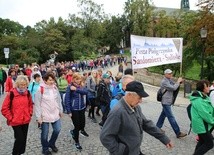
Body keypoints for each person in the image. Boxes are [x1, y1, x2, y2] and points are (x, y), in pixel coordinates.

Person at [100, 81, 173, 155]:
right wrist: (120, 151)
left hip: (135, 151)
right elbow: (105, 136)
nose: (141, 101)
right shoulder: (117, 112)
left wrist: (164, 138)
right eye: (139, 97)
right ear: (129, 95)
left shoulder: (135, 107)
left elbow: (146, 124)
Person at [1, 75, 33, 155]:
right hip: (15, 121)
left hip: (25, 120)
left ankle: (20, 152)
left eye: (25, 84)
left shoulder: (27, 93)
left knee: (23, 139)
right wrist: (11, 118)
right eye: (21, 84)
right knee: (20, 138)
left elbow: (30, 104)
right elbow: (4, 109)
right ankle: (15, 153)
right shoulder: (12, 93)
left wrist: (30, 113)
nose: (23, 86)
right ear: (17, 84)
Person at [34, 73, 63, 155]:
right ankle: (45, 148)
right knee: (44, 134)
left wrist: (60, 110)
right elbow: (37, 104)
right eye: (50, 80)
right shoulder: (40, 89)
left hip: (55, 113)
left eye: (53, 80)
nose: (52, 81)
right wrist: (38, 117)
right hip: (44, 115)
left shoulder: (54, 88)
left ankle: (51, 143)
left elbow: (59, 100)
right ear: (45, 80)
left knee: (57, 129)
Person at [156, 69, 187, 138]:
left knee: (163, 115)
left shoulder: (169, 80)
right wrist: (178, 82)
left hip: (168, 101)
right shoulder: (164, 81)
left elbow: (174, 84)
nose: (171, 75)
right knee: (171, 117)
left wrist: (180, 82)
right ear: (165, 74)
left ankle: (157, 127)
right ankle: (178, 132)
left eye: (171, 73)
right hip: (165, 101)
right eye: (169, 74)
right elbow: (173, 88)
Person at [65, 73, 89, 151]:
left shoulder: (81, 86)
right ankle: (77, 141)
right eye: (77, 79)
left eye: (79, 79)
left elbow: (86, 92)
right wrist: (69, 111)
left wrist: (76, 89)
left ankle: (73, 131)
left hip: (81, 108)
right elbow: (67, 99)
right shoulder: (69, 87)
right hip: (74, 109)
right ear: (74, 79)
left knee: (82, 124)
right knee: (77, 126)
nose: (78, 81)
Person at [189, 80, 214, 155]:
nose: (209, 87)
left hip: (202, 124)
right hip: (202, 125)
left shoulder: (203, 97)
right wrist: (213, 121)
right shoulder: (199, 99)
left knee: (202, 141)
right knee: (209, 144)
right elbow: (205, 114)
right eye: (207, 86)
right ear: (203, 88)